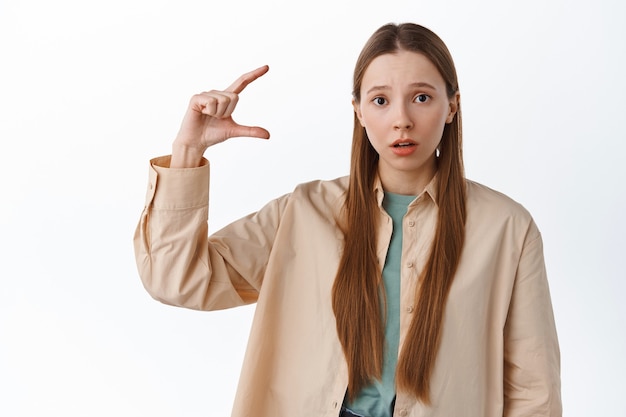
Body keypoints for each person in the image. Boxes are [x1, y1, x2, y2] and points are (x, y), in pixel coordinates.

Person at [134, 22, 562, 417]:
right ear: (358, 111)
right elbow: (177, 279)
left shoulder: (507, 228)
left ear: (452, 107)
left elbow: (533, 390)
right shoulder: (303, 213)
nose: (401, 120)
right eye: (380, 100)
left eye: (422, 97)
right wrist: (188, 152)